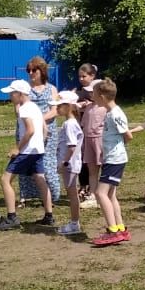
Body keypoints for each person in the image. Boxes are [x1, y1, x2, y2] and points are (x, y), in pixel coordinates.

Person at [0, 80, 54, 231]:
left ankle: (12, 217)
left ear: (20, 94)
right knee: (41, 180)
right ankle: (49, 215)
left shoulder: (25, 109)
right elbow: (44, 130)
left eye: (11, 93)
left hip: (26, 152)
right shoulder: (34, 107)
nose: (9, 96)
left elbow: (30, 130)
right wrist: (41, 143)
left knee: (5, 180)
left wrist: (17, 148)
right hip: (37, 150)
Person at [91, 77, 131, 246]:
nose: (92, 97)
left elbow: (128, 136)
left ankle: (112, 230)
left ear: (102, 96)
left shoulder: (115, 114)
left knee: (100, 193)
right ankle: (120, 228)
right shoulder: (110, 112)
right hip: (112, 158)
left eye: (94, 94)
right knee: (110, 194)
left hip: (115, 159)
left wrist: (115, 148)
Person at [19, 57, 60, 208]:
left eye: (34, 70)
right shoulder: (25, 90)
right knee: (25, 161)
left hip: (47, 131)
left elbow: (54, 111)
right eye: (28, 70)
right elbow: (19, 109)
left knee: (47, 164)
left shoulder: (52, 89)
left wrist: (39, 119)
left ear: (42, 71)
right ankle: (27, 196)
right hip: (27, 129)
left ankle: (51, 196)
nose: (30, 73)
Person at [55, 90, 84, 236]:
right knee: (72, 194)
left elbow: (72, 147)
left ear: (69, 106)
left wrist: (63, 163)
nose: (57, 108)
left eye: (60, 106)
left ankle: (74, 224)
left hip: (70, 166)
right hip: (71, 165)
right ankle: (74, 223)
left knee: (72, 195)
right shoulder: (70, 123)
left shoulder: (69, 124)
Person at [77, 63, 104, 209]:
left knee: (105, 169)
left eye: (92, 92)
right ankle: (93, 195)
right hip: (88, 141)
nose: (89, 94)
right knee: (92, 171)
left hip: (101, 141)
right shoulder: (88, 107)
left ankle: (105, 195)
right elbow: (83, 124)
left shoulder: (105, 108)